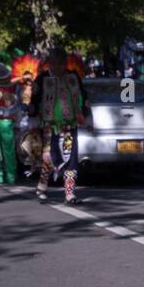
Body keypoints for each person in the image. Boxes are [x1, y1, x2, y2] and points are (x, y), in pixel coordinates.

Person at [29, 48, 90, 204]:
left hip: (69, 126)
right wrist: (33, 119)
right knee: (49, 157)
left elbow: (83, 96)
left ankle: (69, 193)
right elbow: (34, 101)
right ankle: (42, 185)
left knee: (70, 159)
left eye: (61, 63)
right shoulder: (42, 78)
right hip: (49, 127)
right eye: (54, 63)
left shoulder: (73, 77)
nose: (57, 66)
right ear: (49, 63)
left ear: (65, 63)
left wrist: (88, 117)